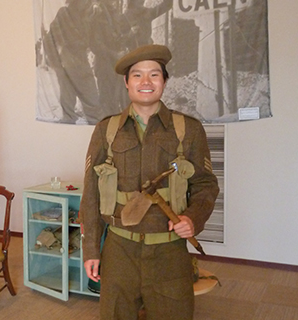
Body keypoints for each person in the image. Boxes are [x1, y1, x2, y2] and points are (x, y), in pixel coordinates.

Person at [79, 44, 219, 319]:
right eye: (137, 75)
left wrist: (193, 218)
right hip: (119, 250)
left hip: (169, 252)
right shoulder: (105, 130)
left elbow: (206, 185)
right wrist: (91, 250)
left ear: (165, 81)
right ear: (127, 82)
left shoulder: (188, 130)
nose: (146, 82)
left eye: (154, 75)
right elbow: (91, 195)